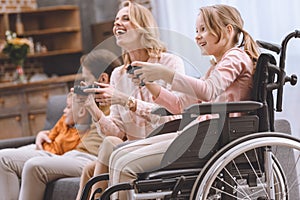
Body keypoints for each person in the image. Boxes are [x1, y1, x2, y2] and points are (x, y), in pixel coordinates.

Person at [107, 4, 260, 199]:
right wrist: (150, 83)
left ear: (228, 30)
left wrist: (167, 74)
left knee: (125, 164)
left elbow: (208, 90)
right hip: (201, 134)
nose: (197, 36)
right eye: (197, 30)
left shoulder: (235, 57)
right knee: (118, 155)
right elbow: (179, 106)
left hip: (212, 138)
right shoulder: (217, 67)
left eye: (203, 29)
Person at [75, 1, 186, 199]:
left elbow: (173, 117)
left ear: (143, 27)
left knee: (101, 161)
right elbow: (118, 131)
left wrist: (127, 101)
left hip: (163, 146)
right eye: (116, 19)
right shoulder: (119, 74)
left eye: (126, 18)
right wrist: (93, 108)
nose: (117, 23)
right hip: (131, 148)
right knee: (97, 158)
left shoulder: (169, 63)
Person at [0, 48, 121, 200]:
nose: (82, 83)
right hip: (71, 154)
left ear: (103, 79)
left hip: (89, 158)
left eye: (85, 78)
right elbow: (67, 122)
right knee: (3, 158)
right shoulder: (92, 99)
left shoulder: (116, 103)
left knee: (33, 166)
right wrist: (43, 134)